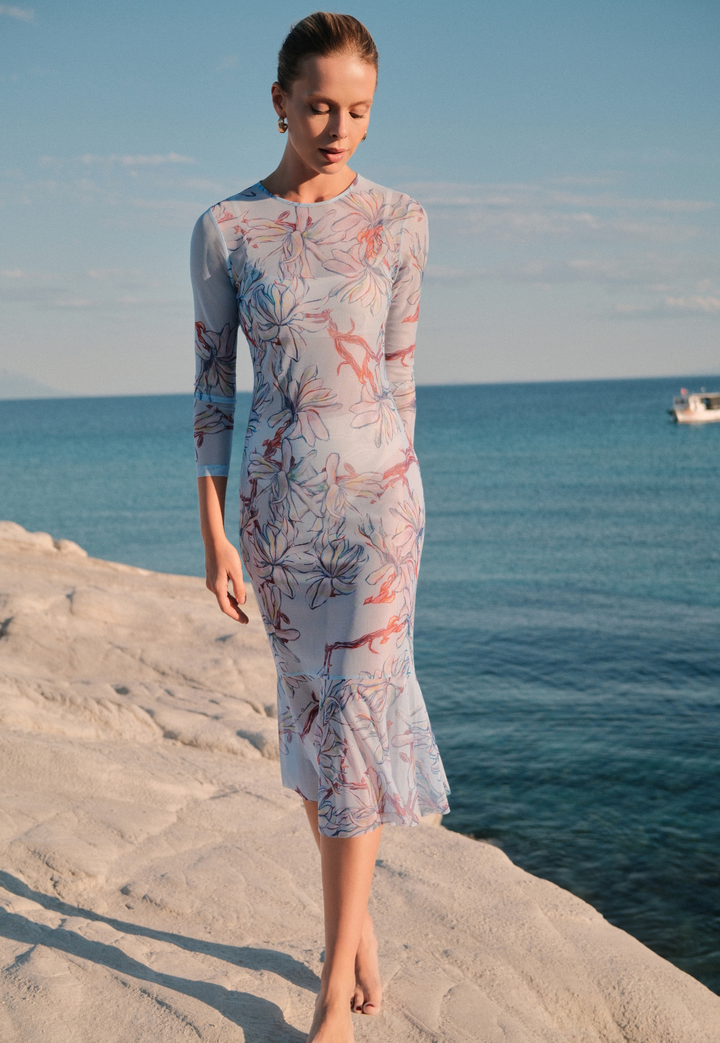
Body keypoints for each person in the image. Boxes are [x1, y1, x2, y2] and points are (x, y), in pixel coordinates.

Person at [190, 12, 450, 1041]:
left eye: (360, 112)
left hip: (382, 507)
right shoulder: (227, 228)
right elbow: (213, 390)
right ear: (279, 103)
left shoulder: (402, 220)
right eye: (320, 108)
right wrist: (212, 529)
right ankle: (358, 929)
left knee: (354, 728)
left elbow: (400, 378)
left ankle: (331, 986)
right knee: (311, 720)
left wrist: (401, 491)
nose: (340, 128)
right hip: (274, 511)